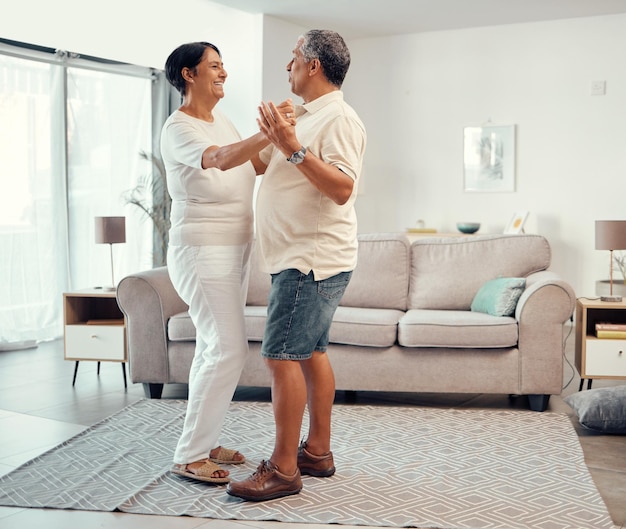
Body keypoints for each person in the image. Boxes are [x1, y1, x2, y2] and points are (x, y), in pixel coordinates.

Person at [227, 29, 367, 501]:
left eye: (293, 58)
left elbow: (343, 188)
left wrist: (291, 145)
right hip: (303, 256)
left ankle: (284, 469)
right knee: (310, 352)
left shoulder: (341, 120)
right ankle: (317, 452)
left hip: (309, 260)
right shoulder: (302, 117)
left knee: (280, 355)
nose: (286, 67)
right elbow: (264, 165)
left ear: (313, 66)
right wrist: (273, 136)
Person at [160, 41, 294, 484]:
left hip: (234, 247)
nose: (223, 73)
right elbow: (218, 160)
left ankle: (205, 438)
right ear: (188, 74)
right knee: (229, 349)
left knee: (211, 348)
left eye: (224, 67)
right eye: (214, 66)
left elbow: (252, 163)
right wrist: (270, 132)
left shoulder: (221, 119)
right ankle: (190, 454)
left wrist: (287, 140)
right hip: (201, 250)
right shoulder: (178, 128)